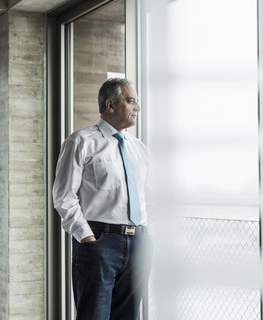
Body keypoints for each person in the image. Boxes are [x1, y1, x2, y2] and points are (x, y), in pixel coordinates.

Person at [52, 78, 152, 320]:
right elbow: (64, 197)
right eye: (130, 100)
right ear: (111, 104)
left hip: (138, 242)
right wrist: (87, 237)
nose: (137, 107)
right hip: (99, 242)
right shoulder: (81, 141)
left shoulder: (139, 148)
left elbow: (150, 197)